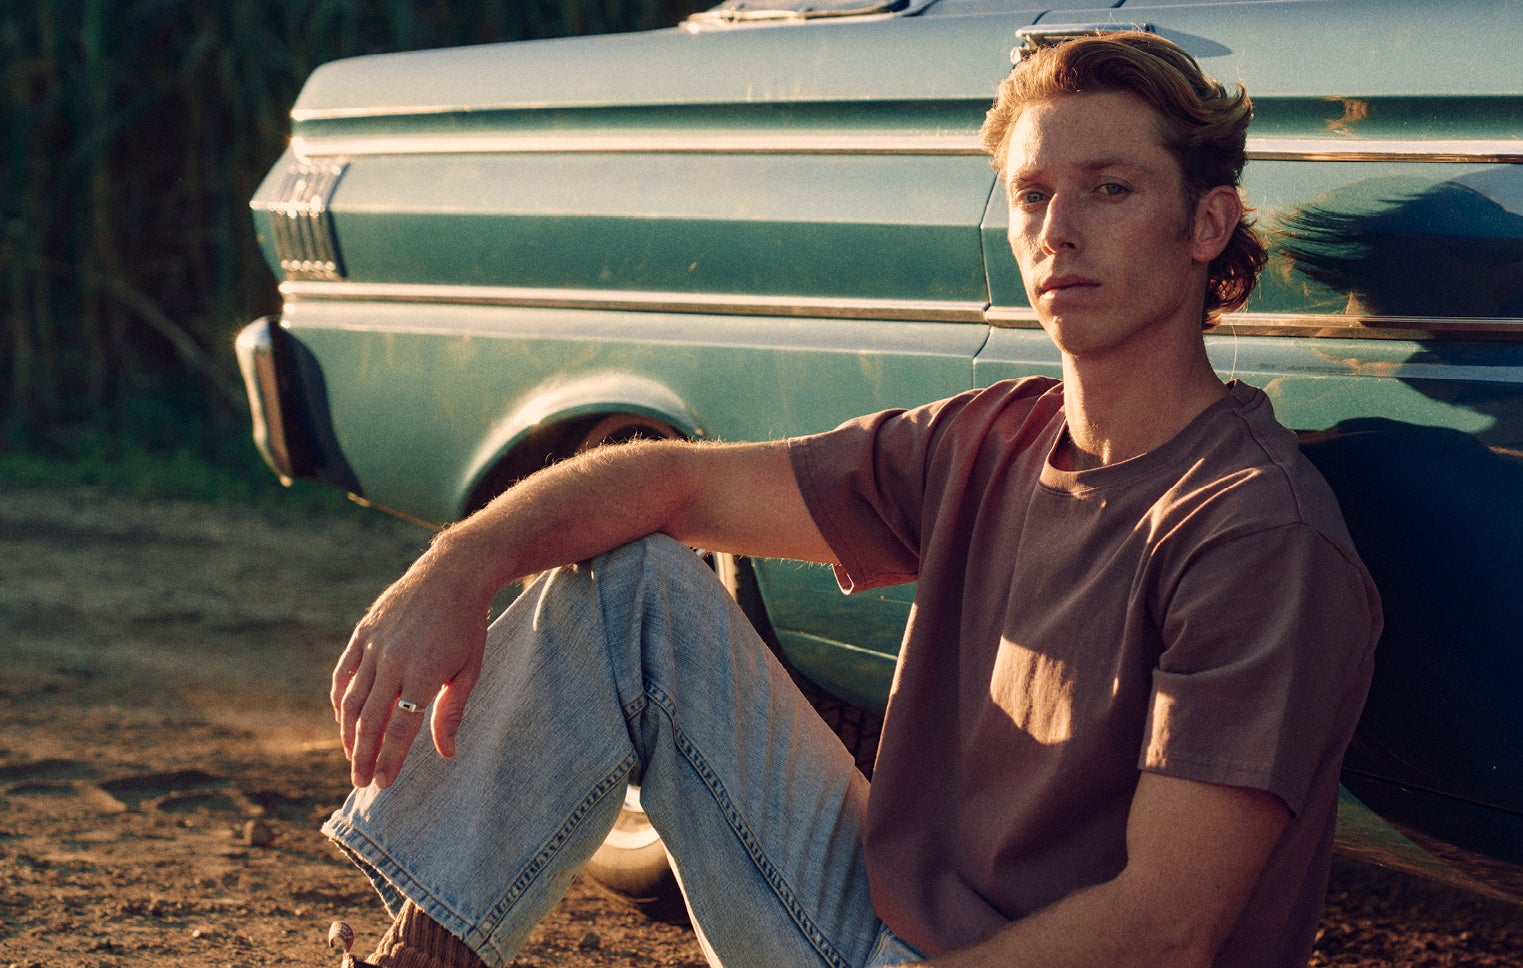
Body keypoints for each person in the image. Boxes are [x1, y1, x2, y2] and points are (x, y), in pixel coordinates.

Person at [321, 31, 1381, 968]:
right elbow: (675, 479)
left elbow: (1163, 930)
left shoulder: (1249, 530)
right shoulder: (992, 436)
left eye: (1109, 188)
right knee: (635, 584)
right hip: (876, 916)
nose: (1057, 229)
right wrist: (454, 566)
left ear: (1207, 226)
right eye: (1031, 194)